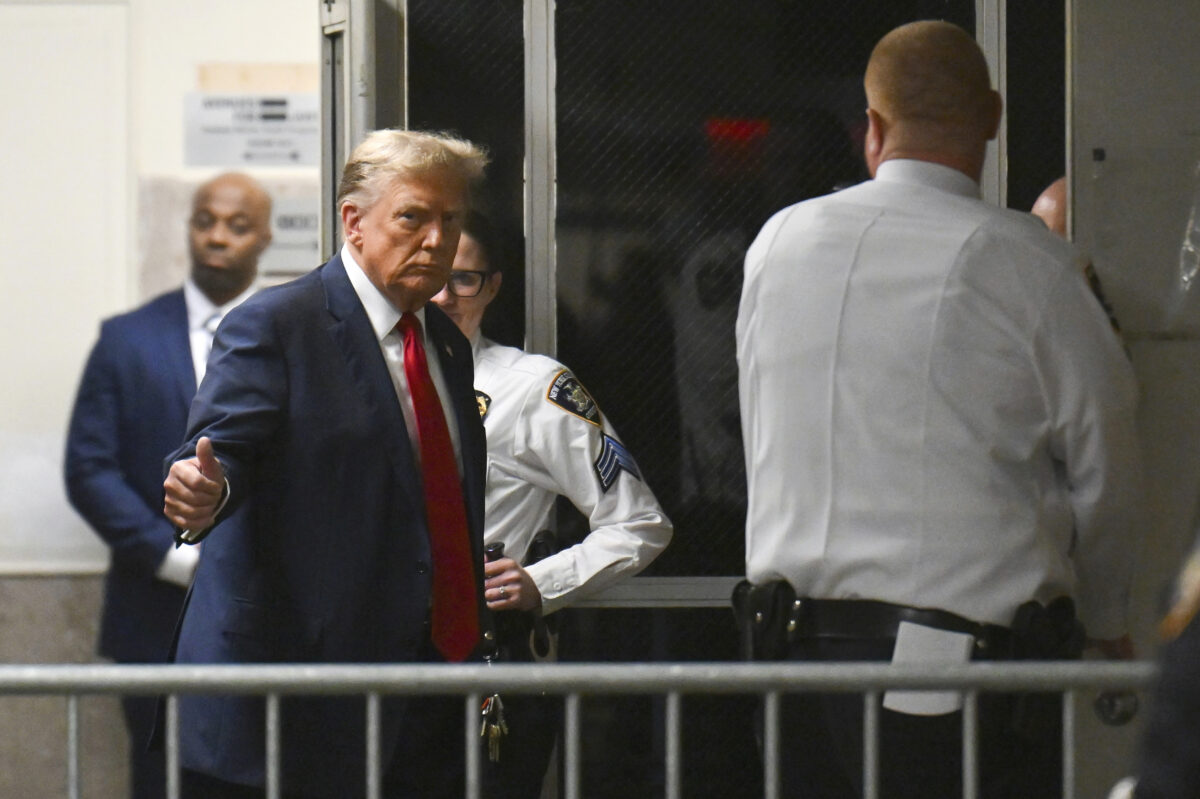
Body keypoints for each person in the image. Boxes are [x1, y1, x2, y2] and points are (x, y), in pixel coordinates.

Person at [735, 20, 1142, 799]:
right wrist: (1107, 616)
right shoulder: (1028, 263)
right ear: (991, 117)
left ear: (873, 128)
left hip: (783, 658)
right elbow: (1107, 461)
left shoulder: (777, 244)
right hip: (949, 670)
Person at [161, 129, 490, 799]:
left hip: (425, 699)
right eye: (413, 216)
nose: (436, 239)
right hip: (293, 707)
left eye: (450, 220)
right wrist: (205, 490)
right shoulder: (278, 325)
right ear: (353, 221)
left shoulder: (447, 347)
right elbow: (221, 453)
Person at [430, 211, 673, 797]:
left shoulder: (532, 387)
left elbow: (639, 524)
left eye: (464, 279)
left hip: (485, 665)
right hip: (379, 663)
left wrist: (542, 583)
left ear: (492, 286)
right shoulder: (369, 381)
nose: (442, 295)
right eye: (431, 275)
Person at [64, 172, 272, 799]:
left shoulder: (289, 336)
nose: (217, 236)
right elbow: (89, 469)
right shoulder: (126, 339)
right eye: (205, 220)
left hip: (265, 613)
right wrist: (170, 555)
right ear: (188, 229)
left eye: (238, 226)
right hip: (153, 613)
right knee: (160, 784)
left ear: (264, 238)